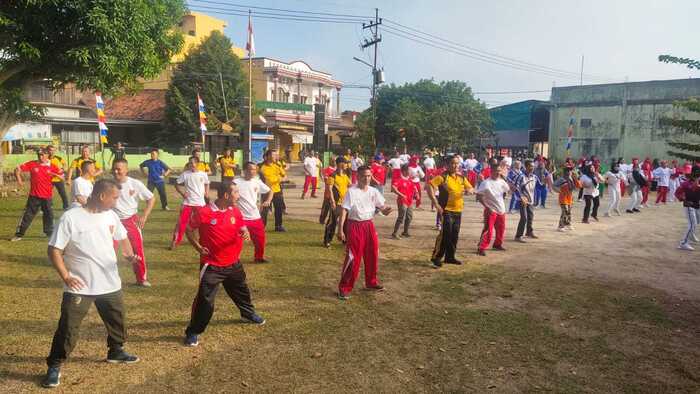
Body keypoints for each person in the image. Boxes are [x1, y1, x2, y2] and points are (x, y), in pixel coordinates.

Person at [42, 179, 141, 388]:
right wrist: (66, 276)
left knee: (117, 320)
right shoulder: (71, 217)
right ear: (102, 196)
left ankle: (116, 351)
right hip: (80, 285)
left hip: (110, 282)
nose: (116, 202)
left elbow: (122, 236)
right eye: (114, 197)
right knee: (68, 327)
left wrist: (129, 255)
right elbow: (54, 250)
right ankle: (55, 365)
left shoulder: (111, 215)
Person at [182, 182, 266, 347]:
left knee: (242, 291)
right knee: (205, 301)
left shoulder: (234, 210)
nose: (239, 195)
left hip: (233, 263)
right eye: (236, 192)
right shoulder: (204, 212)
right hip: (212, 265)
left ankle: (247, 314)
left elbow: (241, 225)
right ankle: (193, 331)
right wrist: (198, 247)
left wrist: (245, 232)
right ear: (226, 195)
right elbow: (188, 229)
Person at [337, 166, 392, 300]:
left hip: (369, 225)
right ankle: (344, 288)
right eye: (363, 176)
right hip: (355, 225)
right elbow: (344, 210)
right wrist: (340, 229)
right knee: (353, 257)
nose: (366, 179)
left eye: (368, 176)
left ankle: (371, 282)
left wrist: (386, 210)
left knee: (372, 253)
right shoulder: (352, 192)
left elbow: (382, 206)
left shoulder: (373, 191)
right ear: (358, 177)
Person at [112, 159, 156, 287]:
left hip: (131, 221)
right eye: (114, 169)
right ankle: (108, 279)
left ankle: (141, 279)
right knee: (109, 250)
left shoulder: (135, 184)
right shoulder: (109, 184)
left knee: (137, 250)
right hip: (112, 222)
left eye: (118, 169)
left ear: (126, 170)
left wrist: (144, 216)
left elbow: (151, 198)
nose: (116, 171)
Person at [427, 155, 474, 267]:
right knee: (445, 234)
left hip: (458, 210)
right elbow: (429, 186)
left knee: (454, 234)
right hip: (446, 210)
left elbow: (470, 188)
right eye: (453, 163)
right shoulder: (443, 177)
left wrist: (470, 190)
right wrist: (436, 203)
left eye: (457, 163)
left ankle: (450, 257)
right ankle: (436, 257)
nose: (455, 165)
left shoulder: (461, 178)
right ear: (447, 165)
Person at [12, 149, 64, 242]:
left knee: (49, 215)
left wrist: (57, 176)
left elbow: (62, 176)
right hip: (34, 196)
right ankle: (19, 234)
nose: (40, 157)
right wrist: (19, 179)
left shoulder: (52, 166)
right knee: (27, 215)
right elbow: (17, 169)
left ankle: (49, 233)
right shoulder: (32, 164)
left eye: (43, 155)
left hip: (47, 196)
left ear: (47, 155)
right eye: (39, 155)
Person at [234, 162, 273, 263]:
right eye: (251, 169)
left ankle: (259, 258)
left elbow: (270, 191)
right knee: (237, 241)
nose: (253, 172)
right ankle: (233, 259)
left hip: (255, 217)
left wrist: (268, 201)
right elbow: (230, 196)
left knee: (260, 239)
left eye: (255, 170)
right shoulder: (236, 182)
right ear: (245, 170)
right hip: (241, 218)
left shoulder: (257, 182)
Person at [171, 157, 210, 249]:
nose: (191, 165)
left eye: (193, 163)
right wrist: (182, 193)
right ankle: (175, 241)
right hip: (188, 203)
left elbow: (207, 183)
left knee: (202, 224)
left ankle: (201, 241)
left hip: (200, 203)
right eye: (190, 163)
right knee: (182, 223)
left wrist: (206, 192)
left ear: (197, 163)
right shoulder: (185, 174)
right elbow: (176, 184)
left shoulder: (203, 174)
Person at [476, 161, 511, 256]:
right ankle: (481, 247)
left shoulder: (502, 181)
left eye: (500, 171)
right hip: (491, 210)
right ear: (491, 171)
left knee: (501, 229)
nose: (498, 173)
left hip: (501, 210)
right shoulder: (486, 183)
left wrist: (507, 191)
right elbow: (478, 196)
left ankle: (497, 244)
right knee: (488, 230)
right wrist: (487, 207)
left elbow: (508, 190)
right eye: (496, 171)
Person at [323, 157, 350, 247]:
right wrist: (332, 201)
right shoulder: (332, 175)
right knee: (332, 223)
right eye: (345, 163)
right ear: (340, 164)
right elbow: (329, 189)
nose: (347, 165)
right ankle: (327, 240)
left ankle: (344, 240)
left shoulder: (345, 176)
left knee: (346, 223)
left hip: (345, 204)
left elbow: (350, 186)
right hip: (336, 203)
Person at [259, 150, 286, 232]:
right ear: (268, 156)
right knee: (265, 210)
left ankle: (278, 226)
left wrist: (280, 179)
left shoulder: (277, 166)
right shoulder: (263, 168)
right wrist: (279, 179)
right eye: (274, 155)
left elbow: (284, 175)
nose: (276, 157)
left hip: (277, 190)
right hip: (267, 191)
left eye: (276, 155)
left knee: (279, 208)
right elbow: (268, 181)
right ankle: (262, 226)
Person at [674, 168, 700, 251]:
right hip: (689, 206)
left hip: (695, 206)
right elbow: (677, 193)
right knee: (692, 224)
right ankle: (683, 243)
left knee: (696, 221)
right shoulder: (686, 184)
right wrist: (683, 198)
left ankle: (691, 236)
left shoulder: (697, 184)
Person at [514, 159, 537, 243]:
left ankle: (529, 232)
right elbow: (515, 187)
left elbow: (538, 187)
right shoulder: (521, 176)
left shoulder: (534, 177)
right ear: (526, 167)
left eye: (533, 166)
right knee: (524, 218)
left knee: (530, 217)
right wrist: (521, 197)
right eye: (531, 166)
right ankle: (518, 236)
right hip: (522, 200)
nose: (532, 168)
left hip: (530, 200)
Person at [391, 164, 415, 239]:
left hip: (409, 201)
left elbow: (413, 187)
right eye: (409, 170)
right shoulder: (399, 179)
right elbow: (393, 188)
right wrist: (401, 195)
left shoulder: (409, 179)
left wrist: (416, 194)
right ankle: (395, 233)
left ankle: (405, 232)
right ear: (404, 171)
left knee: (409, 217)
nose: (410, 171)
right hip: (402, 201)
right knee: (401, 217)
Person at [553, 166, 579, 232]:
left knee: (569, 212)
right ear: (565, 172)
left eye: (571, 170)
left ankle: (568, 224)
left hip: (570, 198)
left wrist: (576, 178)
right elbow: (554, 185)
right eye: (568, 171)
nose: (570, 172)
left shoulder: (572, 179)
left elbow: (578, 187)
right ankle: (560, 226)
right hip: (563, 198)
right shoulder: (562, 179)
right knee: (564, 212)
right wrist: (558, 191)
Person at [47, 145, 69, 209]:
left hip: (58, 179)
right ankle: (48, 206)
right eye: (50, 150)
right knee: (47, 194)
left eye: (53, 150)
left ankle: (66, 206)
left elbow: (65, 165)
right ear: (48, 151)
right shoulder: (45, 159)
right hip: (48, 179)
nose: (52, 152)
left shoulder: (58, 158)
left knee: (63, 193)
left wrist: (62, 169)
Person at [319, 157, 337, 224]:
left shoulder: (337, 170)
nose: (334, 162)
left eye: (335, 161)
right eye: (333, 161)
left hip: (336, 192)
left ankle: (332, 220)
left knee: (334, 207)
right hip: (328, 192)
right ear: (330, 161)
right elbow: (326, 179)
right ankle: (322, 219)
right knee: (326, 207)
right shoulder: (327, 169)